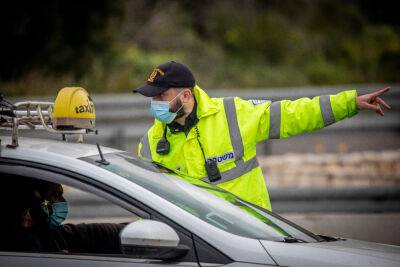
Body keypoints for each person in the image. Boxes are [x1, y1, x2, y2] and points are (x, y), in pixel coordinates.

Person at [133, 61, 391, 211]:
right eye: (152, 97)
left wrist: (350, 103)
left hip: (253, 239)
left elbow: (294, 114)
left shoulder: (234, 113)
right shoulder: (149, 145)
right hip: (199, 247)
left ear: (186, 95)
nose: (154, 103)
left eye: (160, 96)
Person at [0, 177, 124, 253]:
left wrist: (128, 231)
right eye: (56, 195)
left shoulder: (45, 234)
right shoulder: (26, 249)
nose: (63, 201)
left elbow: (92, 234)